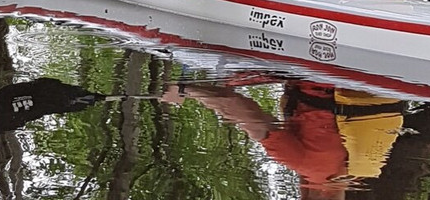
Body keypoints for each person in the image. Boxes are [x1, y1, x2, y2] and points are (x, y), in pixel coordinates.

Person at [161, 78, 405, 199]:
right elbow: (238, 108)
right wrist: (186, 90)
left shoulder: (363, 168)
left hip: (357, 77)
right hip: (312, 70)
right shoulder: (303, 162)